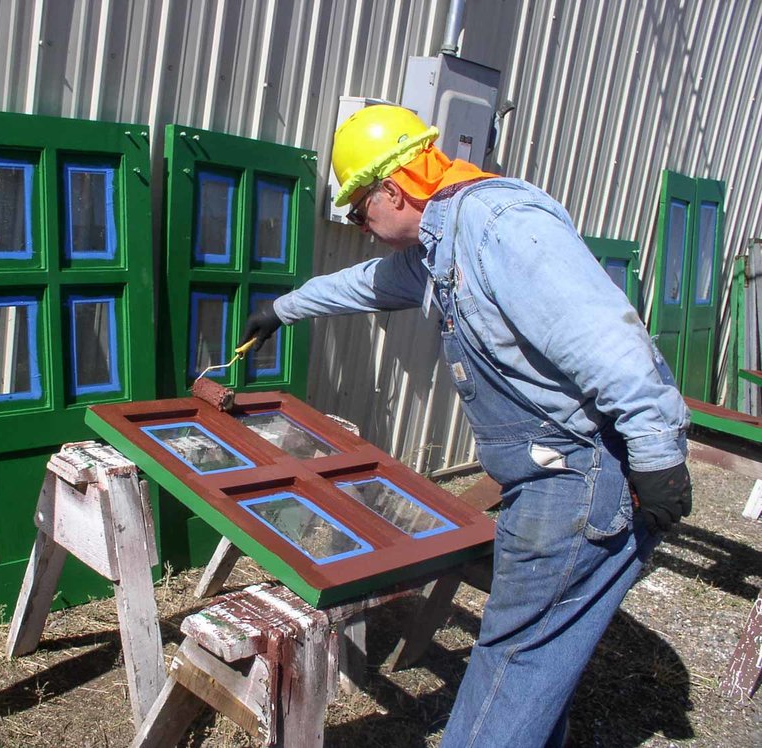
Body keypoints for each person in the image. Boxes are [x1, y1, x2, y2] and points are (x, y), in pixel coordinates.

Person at [240, 104, 692, 747]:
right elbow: (367, 284)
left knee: (511, 664)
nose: (362, 229)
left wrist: (657, 453)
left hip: (576, 474)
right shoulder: (444, 243)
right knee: (539, 660)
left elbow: (608, 341)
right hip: (547, 474)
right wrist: (281, 311)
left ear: (394, 190)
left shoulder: (499, 225)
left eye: (360, 212)